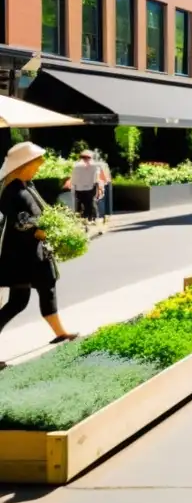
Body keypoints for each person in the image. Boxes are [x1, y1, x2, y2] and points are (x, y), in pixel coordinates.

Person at [0, 143, 78, 368]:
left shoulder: (27, 185)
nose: (39, 167)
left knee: (19, 301)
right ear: (23, 165)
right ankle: (61, 333)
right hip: (22, 254)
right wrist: (40, 232)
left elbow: (38, 214)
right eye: (36, 163)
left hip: (30, 252)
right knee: (40, 290)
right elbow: (19, 222)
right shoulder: (12, 191)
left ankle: (60, 332)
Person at [65, 149, 102, 223]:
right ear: (90, 157)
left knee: (81, 204)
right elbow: (96, 179)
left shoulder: (76, 166)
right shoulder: (94, 166)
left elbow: (73, 180)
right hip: (90, 188)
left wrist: (74, 187)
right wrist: (99, 190)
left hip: (79, 189)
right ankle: (93, 219)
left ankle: (83, 219)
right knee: (90, 203)